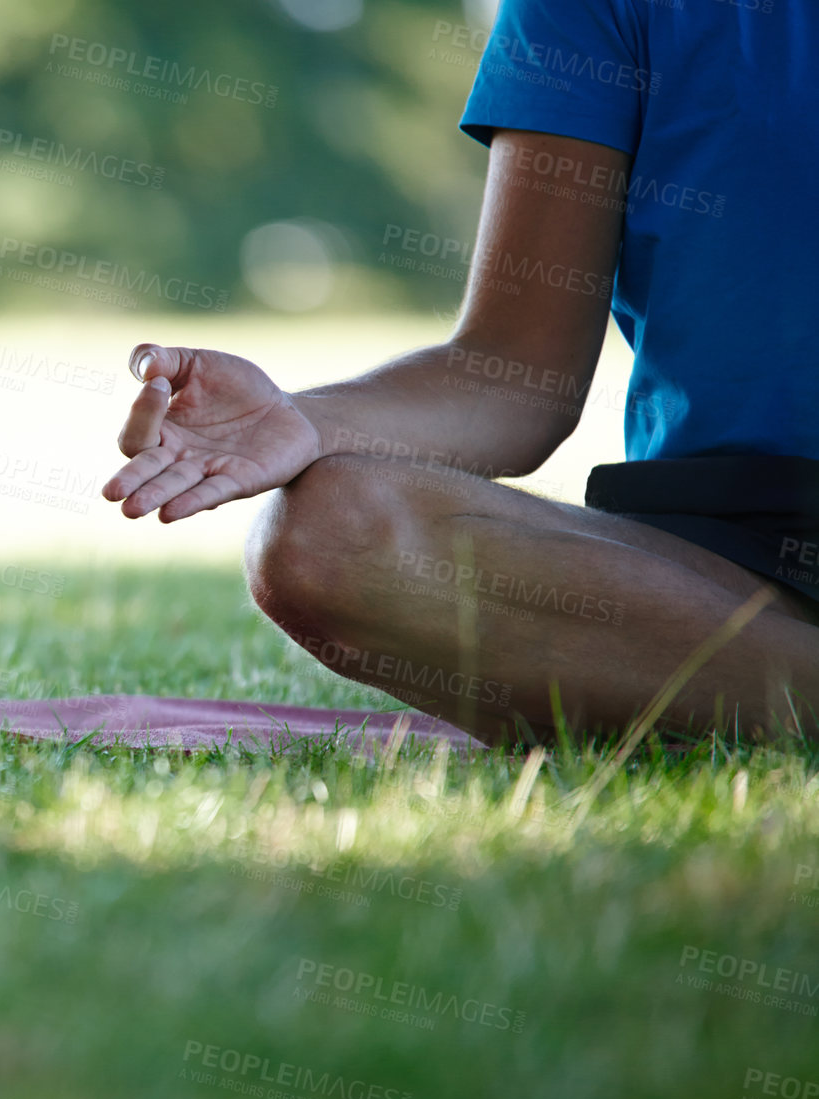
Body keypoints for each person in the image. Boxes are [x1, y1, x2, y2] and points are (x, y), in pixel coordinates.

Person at [103, 0, 818, 744]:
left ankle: (756, 699)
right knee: (326, 536)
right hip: (731, 569)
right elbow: (513, 373)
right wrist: (303, 419)